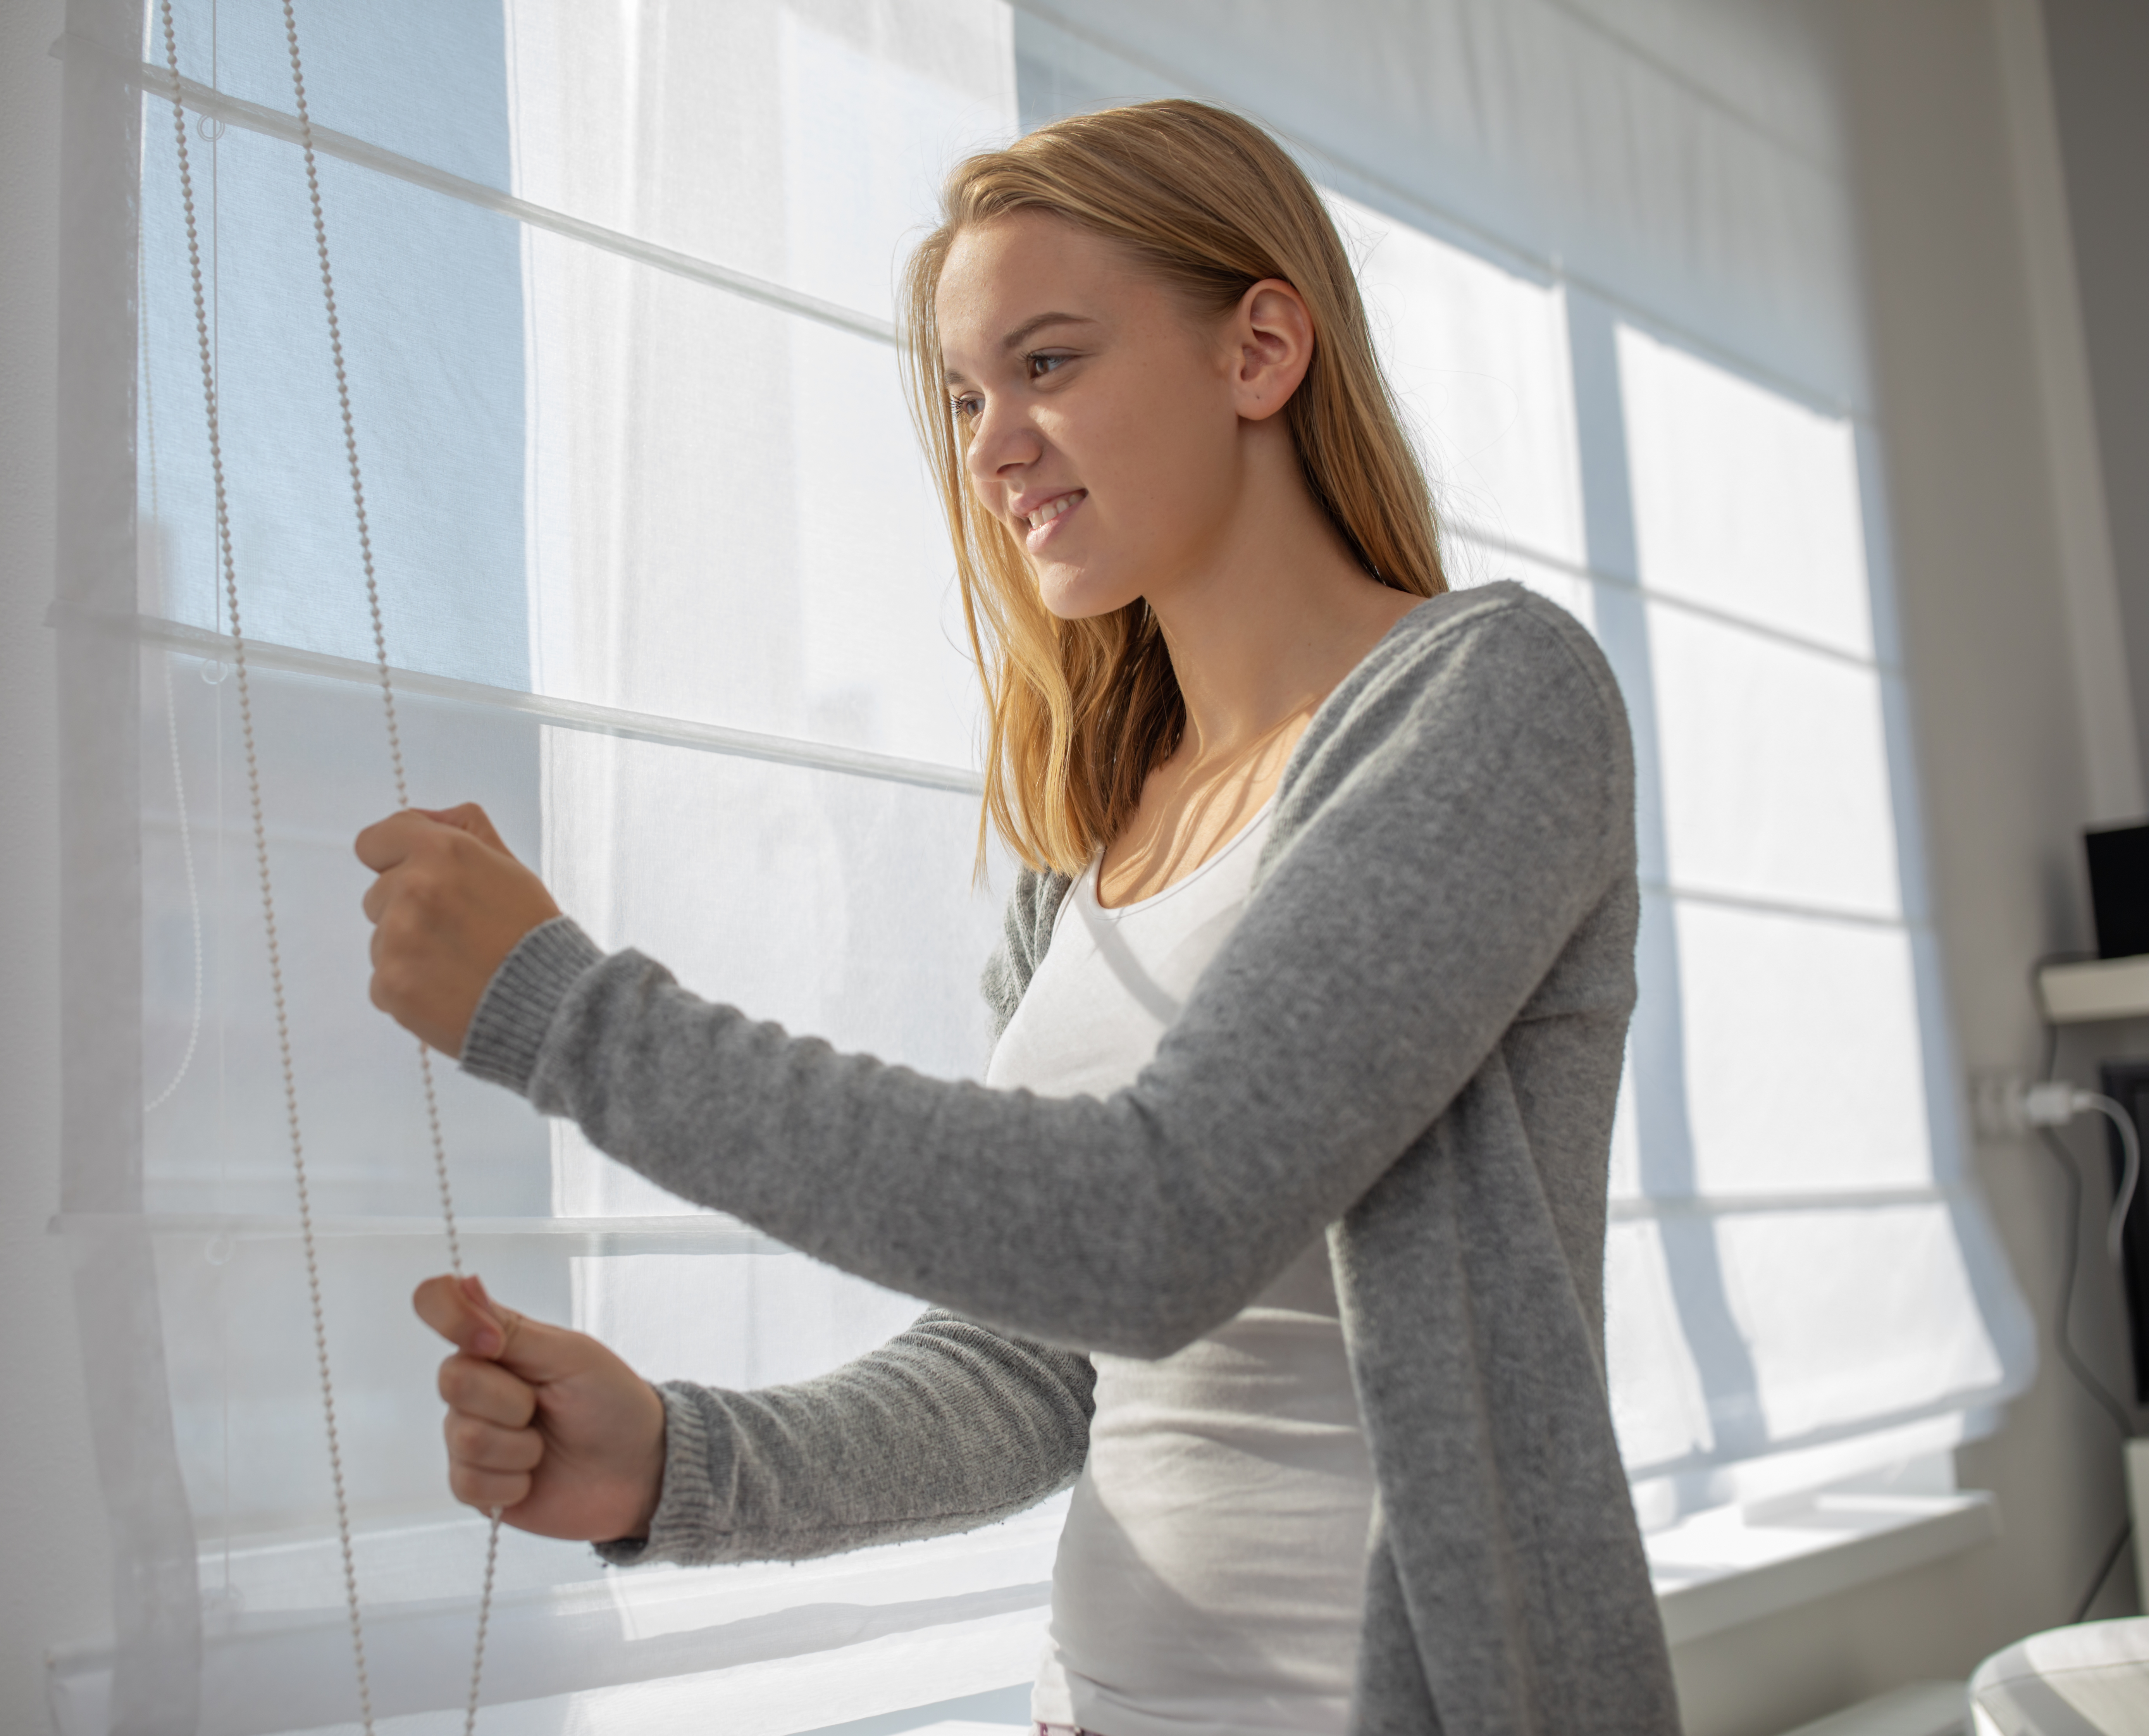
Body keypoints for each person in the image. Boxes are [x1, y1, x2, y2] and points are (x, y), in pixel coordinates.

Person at [355, 98, 1680, 1736]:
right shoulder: (1089, 843)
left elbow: (1152, 1232)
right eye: (968, 395)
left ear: (1260, 347)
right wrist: (677, 1460)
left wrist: (567, 1014)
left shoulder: (1492, 699)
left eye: (1047, 364)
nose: (986, 449)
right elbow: (1036, 1360)